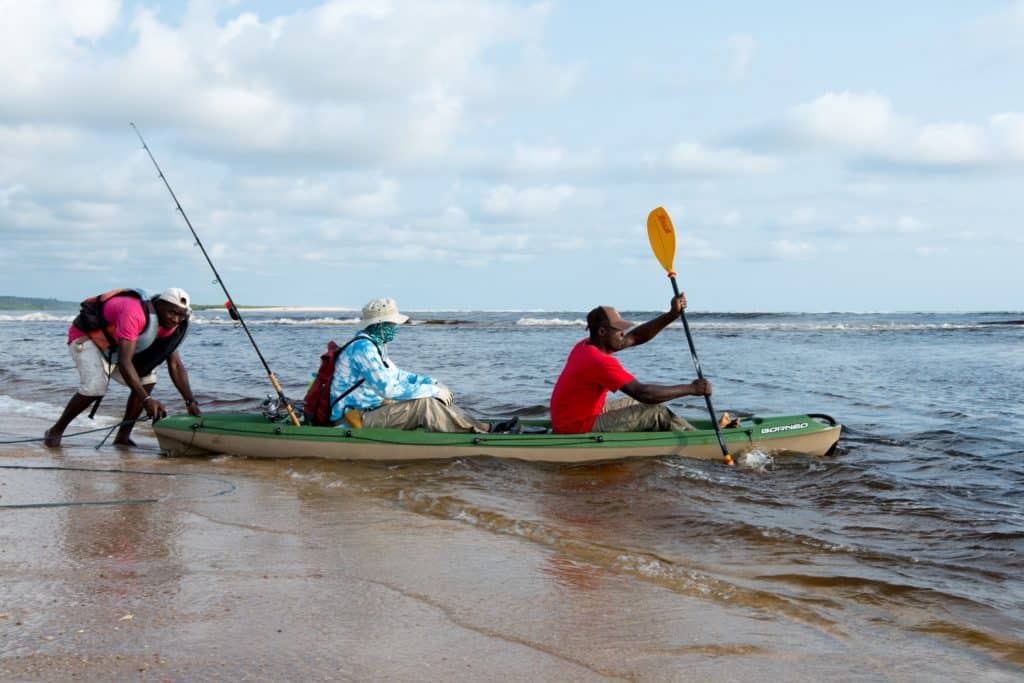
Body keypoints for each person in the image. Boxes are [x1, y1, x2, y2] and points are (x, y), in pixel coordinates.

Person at [329, 297, 518, 433]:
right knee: (424, 404)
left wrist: (431, 383)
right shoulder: (363, 348)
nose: (395, 327)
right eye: (391, 323)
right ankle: (480, 432)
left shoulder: (374, 345)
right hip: (353, 421)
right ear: (379, 324)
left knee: (428, 396)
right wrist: (432, 391)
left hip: (370, 411)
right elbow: (388, 389)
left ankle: (480, 427)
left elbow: (398, 375)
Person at [44, 287, 202, 448]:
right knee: (95, 387)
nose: (176, 319)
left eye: (181, 315)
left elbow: (175, 364)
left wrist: (190, 401)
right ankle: (56, 430)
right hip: (88, 337)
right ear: (159, 305)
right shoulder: (135, 313)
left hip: (115, 346)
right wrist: (146, 400)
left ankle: (122, 437)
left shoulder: (171, 325)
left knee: (147, 380)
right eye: (172, 313)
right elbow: (125, 362)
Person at [549, 294, 712, 434]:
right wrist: (692, 389)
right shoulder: (598, 361)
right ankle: (699, 439)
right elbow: (643, 392)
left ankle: (685, 430)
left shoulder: (585, 346)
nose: (623, 333)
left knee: (645, 404)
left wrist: (671, 315)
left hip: (571, 416)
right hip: (576, 426)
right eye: (618, 329)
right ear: (602, 332)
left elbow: (636, 337)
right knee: (655, 412)